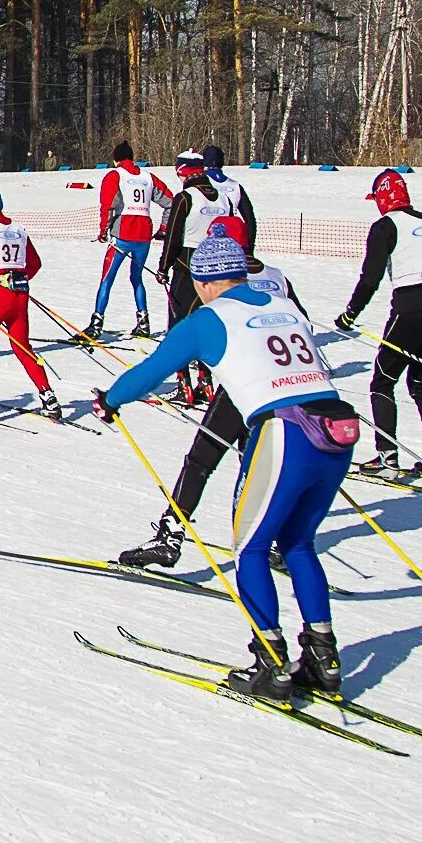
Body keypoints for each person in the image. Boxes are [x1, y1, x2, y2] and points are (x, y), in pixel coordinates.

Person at [91, 228, 358, 699]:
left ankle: (270, 663)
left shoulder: (207, 318)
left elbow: (152, 372)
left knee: (250, 549)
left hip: (284, 433)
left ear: (204, 281)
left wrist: (110, 400)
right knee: (297, 543)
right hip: (337, 430)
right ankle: (323, 655)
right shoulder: (285, 304)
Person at [116, 217, 308, 569]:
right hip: (293, 387)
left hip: (245, 386)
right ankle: (267, 538)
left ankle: (171, 536)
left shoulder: (222, 280)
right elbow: (303, 322)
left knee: (202, 458)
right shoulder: (276, 275)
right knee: (253, 463)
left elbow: (199, 326)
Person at [335, 168, 422, 474]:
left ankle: (387, 457)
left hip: (409, 310)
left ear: (383, 199)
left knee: (383, 380)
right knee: (420, 383)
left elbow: (370, 279)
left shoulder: (385, 226)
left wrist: (349, 314)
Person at [0, 184, 60, 419]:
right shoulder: (19, 228)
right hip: (20, 295)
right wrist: (18, 279)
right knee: (22, 346)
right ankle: (48, 396)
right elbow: (34, 263)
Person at [159, 149, 233, 402]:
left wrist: (163, 267)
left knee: (179, 327)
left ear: (184, 172)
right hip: (217, 267)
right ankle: (206, 380)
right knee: (206, 325)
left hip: (187, 266)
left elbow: (173, 237)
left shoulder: (185, 198)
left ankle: (184, 386)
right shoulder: (223, 198)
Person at [90, 140, 169, 339]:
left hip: (122, 235)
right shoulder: (148, 177)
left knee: (107, 279)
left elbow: (107, 205)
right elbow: (171, 202)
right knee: (137, 278)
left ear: (116, 159)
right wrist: (163, 228)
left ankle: (96, 323)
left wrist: (103, 231)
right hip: (144, 237)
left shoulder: (115, 175)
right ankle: (143, 321)